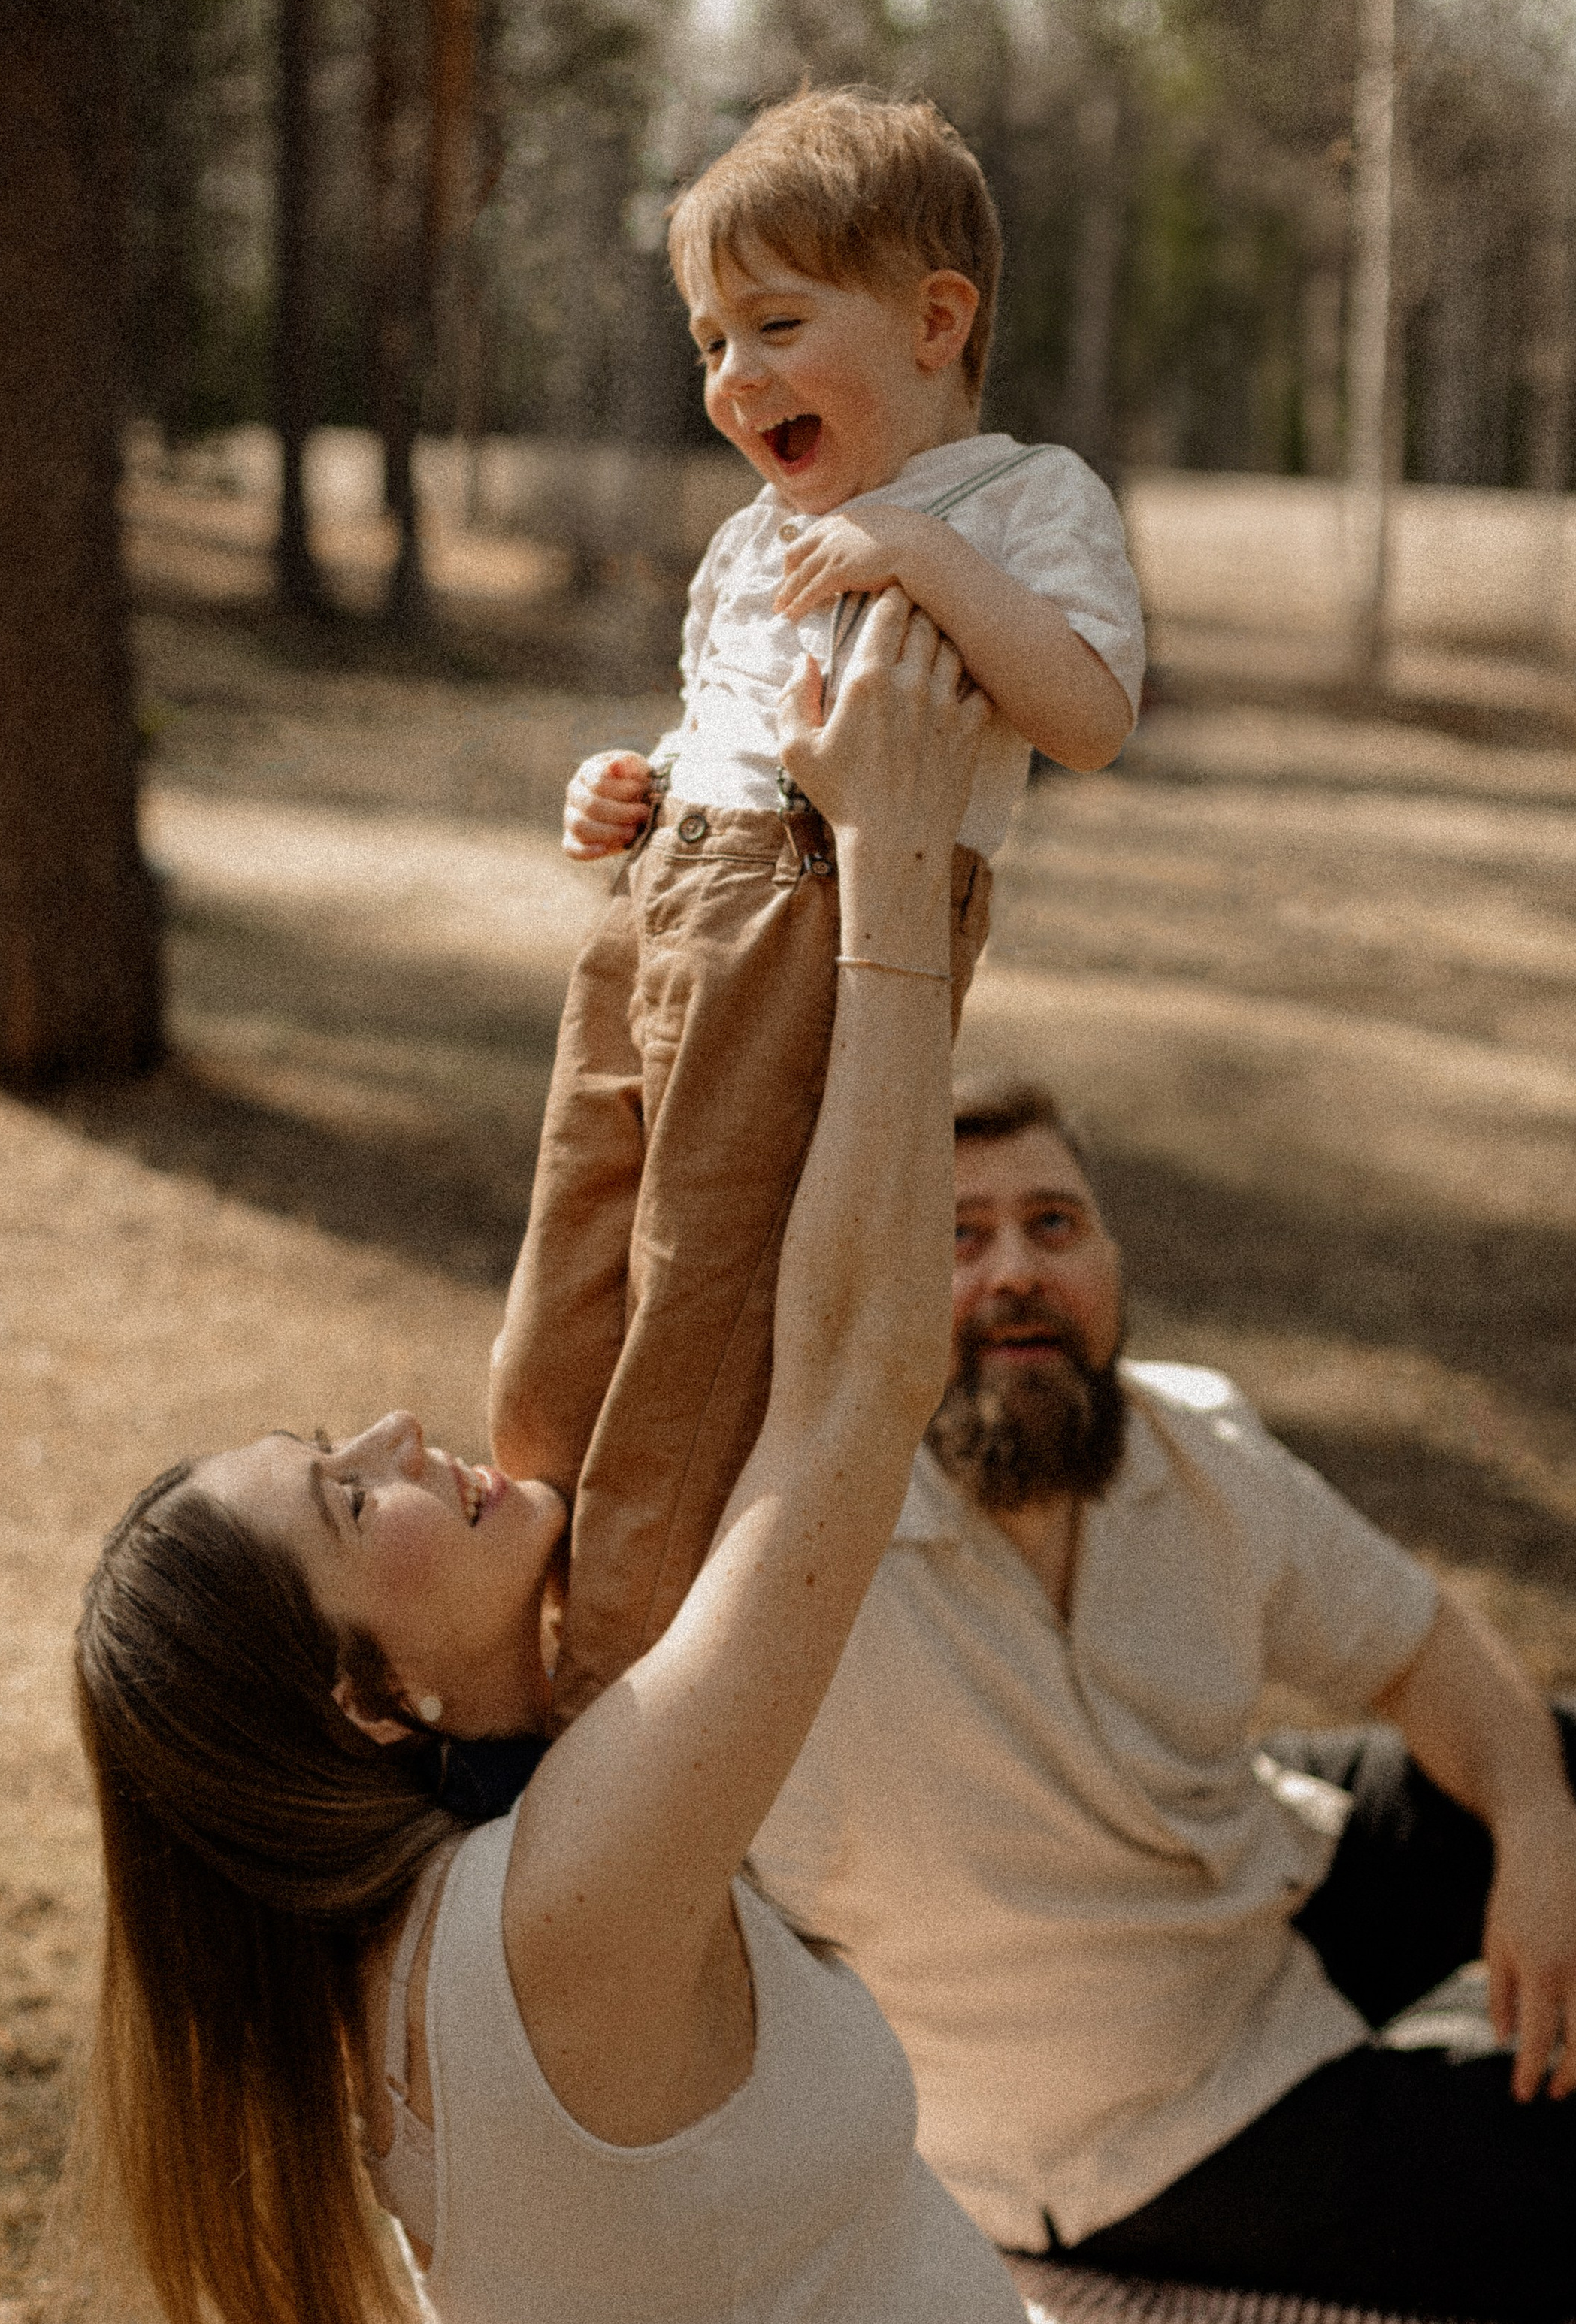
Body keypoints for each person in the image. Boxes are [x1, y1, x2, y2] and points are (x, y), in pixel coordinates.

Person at [74, 601, 1421, 2324]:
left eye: (337, 1441)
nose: (394, 1438)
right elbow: (858, 1379)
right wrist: (887, 875)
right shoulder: (570, 1900)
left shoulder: (487, 1784)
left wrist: (647, 916)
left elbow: (604, 1301)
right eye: (349, 1499)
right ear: (364, 1693)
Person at [748, 1079, 1576, 2324]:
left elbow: (1422, 1646)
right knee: (1575, 2196)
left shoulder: (1192, 1439)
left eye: (1054, 1224)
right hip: (1123, 2119)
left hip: (1258, 1880)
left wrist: (1539, 1838)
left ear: (1110, 1264)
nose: (1016, 1272)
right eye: (955, 1237)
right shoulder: (795, 1546)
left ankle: (1481, 2004)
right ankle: (1466, 2032)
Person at [489, 86, 1147, 1723]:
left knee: (697, 1297)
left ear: (936, 321)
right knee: (569, 1269)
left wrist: (918, 556)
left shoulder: (1020, 501)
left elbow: (1086, 714)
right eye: (712, 342)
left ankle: (609, 1688)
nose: (735, 377)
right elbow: (715, 719)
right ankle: (503, 1602)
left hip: (818, 907)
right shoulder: (749, 539)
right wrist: (626, 789)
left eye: (776, 327)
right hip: (663, 899)